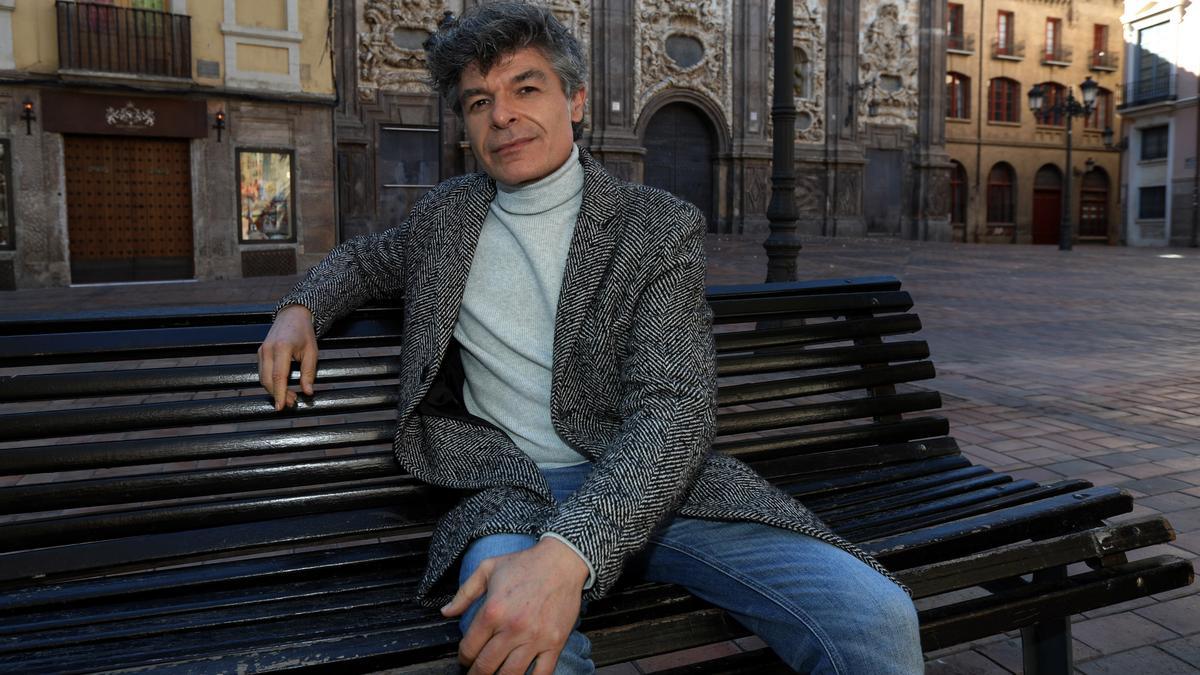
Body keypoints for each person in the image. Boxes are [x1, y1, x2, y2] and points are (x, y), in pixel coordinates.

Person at [258, 3, 922, 673]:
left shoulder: (656, 226)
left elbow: (675, 410)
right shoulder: (445, 219)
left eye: (526, 88)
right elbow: (366, 261)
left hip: (650, 482)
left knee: (874, 614)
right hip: (508, 488)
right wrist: (300, 308)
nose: (502, 115)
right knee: (510, 642)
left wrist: (572, 549)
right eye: (479, 101)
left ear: (576, 101)